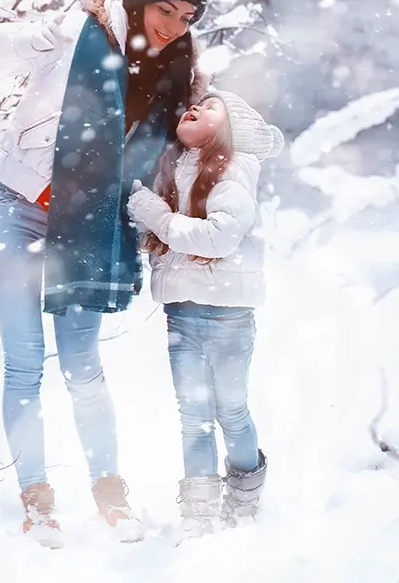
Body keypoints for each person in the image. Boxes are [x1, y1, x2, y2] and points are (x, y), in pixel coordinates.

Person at [0, 0, 209, 547]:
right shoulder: (80, 33)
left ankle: (109, 489)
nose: (173, 26)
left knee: (82, 364)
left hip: (90, 227)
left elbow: (217, 139)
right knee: (25, 363)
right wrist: (59, 22)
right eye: (165, 10)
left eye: (186, 18)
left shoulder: (173, 74)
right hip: (18, 210)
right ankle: (37, 499)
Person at [126, 89, 284, 541]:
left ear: (229, 127)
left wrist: (154, 214)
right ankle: (198, 512)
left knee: (230, 409)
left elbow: (216, 239)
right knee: (193, 413)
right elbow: (164, 237)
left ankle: (244, 498)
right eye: (196, 103)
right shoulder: (173, 168)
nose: (196, 107)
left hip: (229, 316)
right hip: (182, 312)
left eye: (212, 106)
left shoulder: (233, 172)